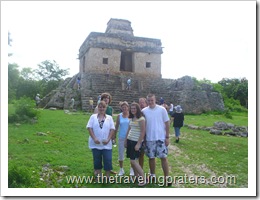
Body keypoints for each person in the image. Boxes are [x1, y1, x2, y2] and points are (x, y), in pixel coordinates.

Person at [142, 94, 171, 186]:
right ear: (147, 101)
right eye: (149, 101)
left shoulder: (162, 109)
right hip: (149, 138)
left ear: (155, 100)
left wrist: (167, 137)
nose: (150, 102)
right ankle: (152, 175)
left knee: (163, 157)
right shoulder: (144, 111)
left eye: (152, 100)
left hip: (160, 138)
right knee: (151, 158)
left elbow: (167, 123)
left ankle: (166, 177)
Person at [86, 101, 115, 180]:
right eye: (100, 107)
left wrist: (109, 139)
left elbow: (112, 129)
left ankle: (107, 176)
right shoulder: (93, 117)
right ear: (98, 108)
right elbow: (89, 128)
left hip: (106, 144)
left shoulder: (109, 118)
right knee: (97, 159)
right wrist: (94, 138)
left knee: (108, 159)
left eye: (103, 107)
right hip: (96, 143)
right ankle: (98, 175)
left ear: (105, 108)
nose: (101, 108)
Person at [125, 102, 146, 186]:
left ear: (137, 109)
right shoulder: (131, 118)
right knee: (131, 161)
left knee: (133, 161)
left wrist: (138, 144)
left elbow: (143, 132)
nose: (133, 110)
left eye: (134, 108)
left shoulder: (141, 119)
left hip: (135, 141)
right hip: (130, 140)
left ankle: (143, 179)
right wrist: (125, 140)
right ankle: (136, 177)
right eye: (132, 108)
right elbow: (128, 130)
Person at [114, 101, 132, 176]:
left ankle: (132, 169)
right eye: (123, 107)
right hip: (121, 137)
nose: (124, 108)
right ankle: (121, 169)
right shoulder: (119, 116)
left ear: (128, 108)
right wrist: (114, 136)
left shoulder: (131, 115)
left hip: (131, 137)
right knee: (121, 153)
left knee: (131, 154)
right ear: (121, 108)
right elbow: (117, 126)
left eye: (126, 107)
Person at [138, 97, 148, 169]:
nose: (141, 104)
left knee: (151, 155)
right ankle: (139, 169)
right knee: (140, 154)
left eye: (143, 102)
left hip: (147, 135)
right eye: (140, 102)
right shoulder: (137, 113)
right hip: (138, 135)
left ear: (146, 103)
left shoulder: (148, 112)